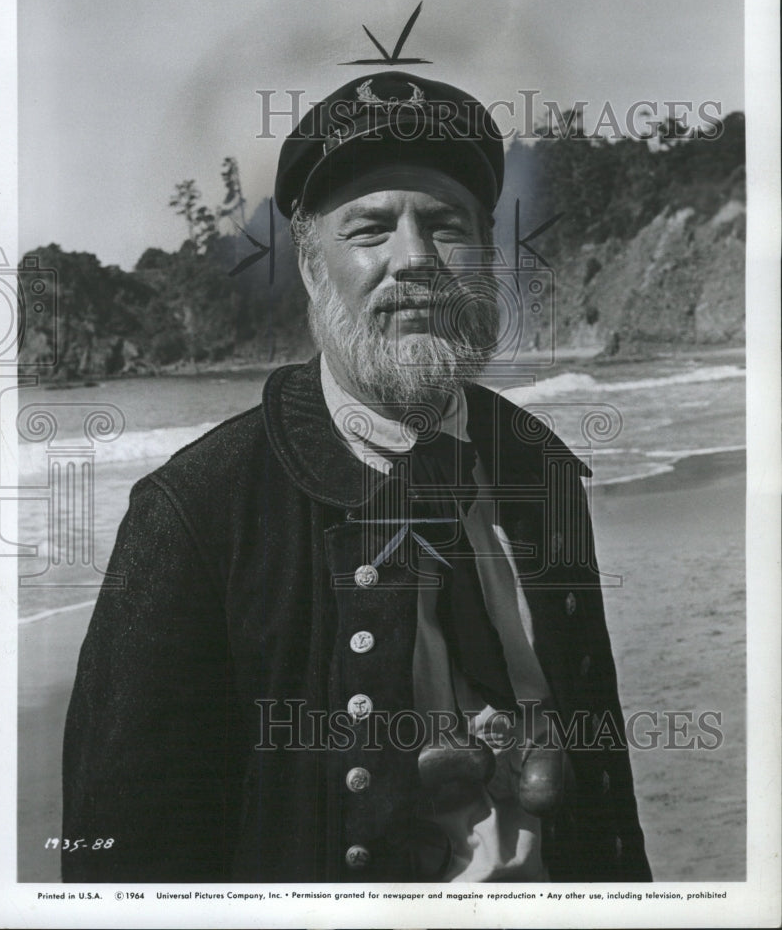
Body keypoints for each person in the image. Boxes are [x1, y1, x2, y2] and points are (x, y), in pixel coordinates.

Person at [62, 71, 651, 883]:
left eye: (444, 227)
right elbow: (127, 864)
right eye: (370, 229)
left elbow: (602, 782)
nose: (414, 261)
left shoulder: (537, 465)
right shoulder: (194, 516)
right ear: (311, 270)